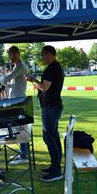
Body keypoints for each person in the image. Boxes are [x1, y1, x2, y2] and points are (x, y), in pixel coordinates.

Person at [27, 45, 65, 182]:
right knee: (53, 137)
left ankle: (56, 170)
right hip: (52, 107)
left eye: (43, 54)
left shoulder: (52, 68)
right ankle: (55, 166)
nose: (42, 57)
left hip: (50, 107)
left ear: (50, 54)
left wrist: (33, 80)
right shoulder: (56, 67)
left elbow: (44, 87)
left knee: (49, 138)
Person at [0, 45, 29, 165]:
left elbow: (7, 78)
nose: (9, 56)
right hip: (16, 100)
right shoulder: (17, 66)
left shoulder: (20, 66)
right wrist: (7, 85)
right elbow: (13, 83)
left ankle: (24, 154)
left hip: (19, 101)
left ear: (16, 53)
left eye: (10, 53)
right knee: (19, 127)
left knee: (21, 127)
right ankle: (23, 152)